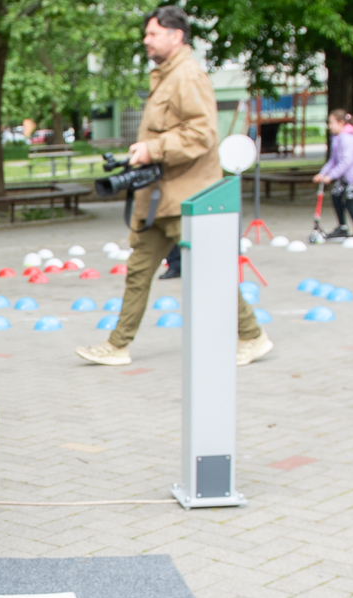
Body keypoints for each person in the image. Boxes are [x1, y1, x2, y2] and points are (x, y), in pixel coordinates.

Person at [75, 6, 271, 369]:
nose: (145, 40)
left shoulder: (188, 76)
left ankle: (252, 335)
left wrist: (153, 148)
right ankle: (118, 345)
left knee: (211, 270)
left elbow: (202, 134)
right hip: (161, 198)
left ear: (176, 35)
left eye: (152, 34)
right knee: (138, 270)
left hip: (189, 197)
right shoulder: (165, 77)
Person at [314, 109, 353, 241]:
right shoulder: (337, 138)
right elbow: (333, 160)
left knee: (350, 201)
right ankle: (342, 227)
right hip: (348, 174)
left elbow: (346, 161)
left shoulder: (347, 137)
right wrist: (322, 174)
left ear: (341, 123)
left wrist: (330, 176)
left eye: (331, 122)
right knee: (336, 195)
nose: (329, 126)